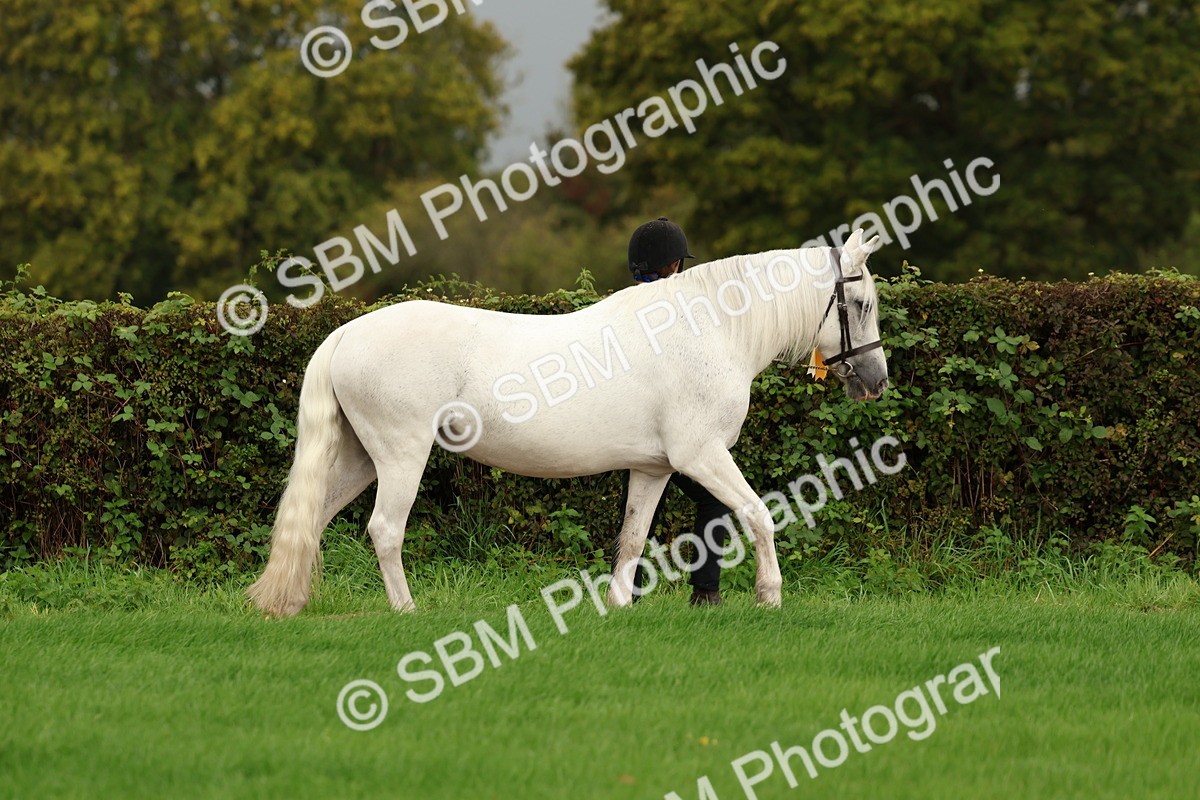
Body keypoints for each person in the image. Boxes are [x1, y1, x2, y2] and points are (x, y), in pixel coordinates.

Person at [614, 217, 731, 606]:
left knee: (640, 507)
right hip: (671, 430)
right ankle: (706, 591)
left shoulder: (624, 304)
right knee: (714, 496)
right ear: (671, 265)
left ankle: (629, 591)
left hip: (629, 428)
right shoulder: (677, 307)